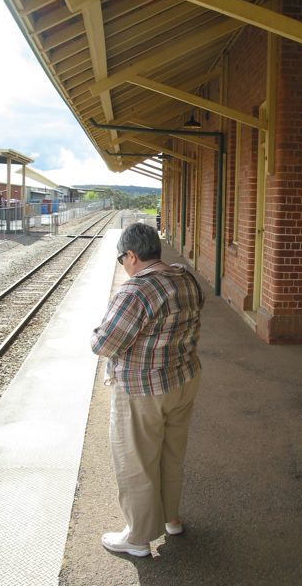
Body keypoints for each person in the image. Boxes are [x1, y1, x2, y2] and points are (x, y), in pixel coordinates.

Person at [90, 222, 204, 557]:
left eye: (121, 259)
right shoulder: (186, 278)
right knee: (172, 454)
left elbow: (104, 344)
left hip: (143, 389)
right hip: (184, 379)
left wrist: (96, 333)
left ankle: (138, 538)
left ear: (131, 255)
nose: (122, 266)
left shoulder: (135, 292)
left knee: (136, 462)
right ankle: (170, 517)